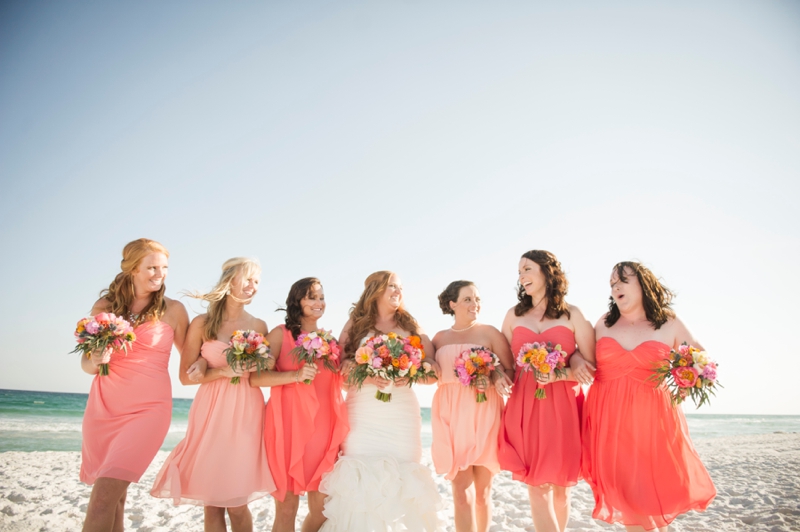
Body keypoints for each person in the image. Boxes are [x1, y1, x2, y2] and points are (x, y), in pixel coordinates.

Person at [581, 261, 716, 531]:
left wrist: (687, 379)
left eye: (623, 280)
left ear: (643, 285)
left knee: (648, 497)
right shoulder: (604, 324)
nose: (615, 286)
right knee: (629, 496)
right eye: (611, 283)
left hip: (653, 423)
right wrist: (574, 362)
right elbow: (581, 356)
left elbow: (704, 362)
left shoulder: (669, 322)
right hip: (609, 422)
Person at [150, 257, 274, 532]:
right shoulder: (202, 323)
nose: (254, 287)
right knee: (212, 502)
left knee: (238, 502)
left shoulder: (260, 326)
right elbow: (184, 377)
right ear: (230, 281)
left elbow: (260, 376)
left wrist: (252, 366)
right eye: (248, 279)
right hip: (211, 410)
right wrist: (219, 370)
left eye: (257, 282)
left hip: (246, 412)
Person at [319, 271, 444, 532]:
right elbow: (339, 366)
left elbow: (434, 369)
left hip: (400, 414)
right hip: (363, 412)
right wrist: (365, 374)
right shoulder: (356, 323)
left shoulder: (410, 324)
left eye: (400, 287)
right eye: (391, 287)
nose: (397, 292)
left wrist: (412, 372)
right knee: (361, 479)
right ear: (375, 291)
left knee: (404, 477)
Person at [80, 238, 189, 532]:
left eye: (164, 267)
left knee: (102, 499)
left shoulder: (174, 310)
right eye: (152, 267)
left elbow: (191, 365)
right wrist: (97, 358)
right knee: (115, 501)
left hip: (148, 412)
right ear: (132, 270)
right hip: (104, 409)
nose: (160, 273)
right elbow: (87, 365)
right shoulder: (104, 308)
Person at [497, 250, 595, 532]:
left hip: (563, 405)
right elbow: (507, 365)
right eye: (519, 273)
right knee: (538, 487)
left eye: (527, 269)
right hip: (525, 406)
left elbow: (590, 365)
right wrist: (496, 376)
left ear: (546, 272)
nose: (522, 277)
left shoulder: (572, 314)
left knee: (562, 489)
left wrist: (562, 371)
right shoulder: (513, 316)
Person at [250, 277, 348, 532]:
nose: (319, 303)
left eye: (321, 297)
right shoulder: (279, 334)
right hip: (288, 429)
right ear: (297, 301)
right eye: (311, 297)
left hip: (324, 431)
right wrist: (294, 376)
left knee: (322, 511)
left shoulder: (330, 340)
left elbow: (340, 382)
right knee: (286, 509)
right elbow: (256, 378)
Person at [430, 280, 514, 532]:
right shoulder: (438, 338)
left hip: (483, 410)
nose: (474, 304)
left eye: (477, 299)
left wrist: (492, 375)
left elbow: (508, 370)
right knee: (460, 493)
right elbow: (430, 373)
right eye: (468, 299)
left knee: (482, 493)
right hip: (449, 413)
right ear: (452, 303)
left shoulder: (490, 333)